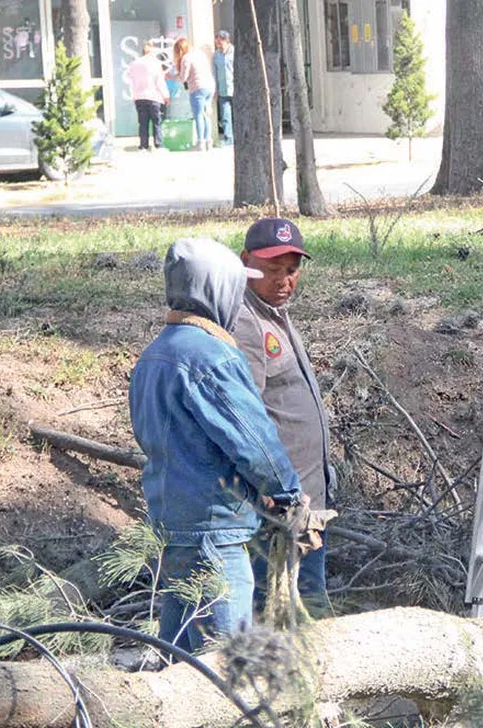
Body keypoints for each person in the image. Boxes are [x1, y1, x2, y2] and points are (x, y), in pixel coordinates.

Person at [129, 237, 306, 651]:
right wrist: (286, 492)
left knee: (178, 655)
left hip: (171, 525)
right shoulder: (212, 357)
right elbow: (253, 440)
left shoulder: (154, 354)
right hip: (214, 533)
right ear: (217, 289)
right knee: (225, 663)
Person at [232, 218, 338, 617]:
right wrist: (268, 485)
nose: (283, 280)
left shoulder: (274, 314)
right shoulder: (246, 322)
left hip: (306, 498)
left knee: (305, 606)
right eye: (272, 269)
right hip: (280, 505)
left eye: (292, 270)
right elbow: (246, 416)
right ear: (245, 261)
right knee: (290, 609)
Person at [173, 38, 217, 151]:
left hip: (197, 88)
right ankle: (208, 142)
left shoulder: (186, 58)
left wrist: (173, 77)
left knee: (198, 115)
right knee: (206, 114)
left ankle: (200, 143)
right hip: (210, 86)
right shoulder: (200, 54)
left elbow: (183, 77)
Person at [125, 40, 169, 152]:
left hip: (139, 97)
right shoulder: (155, 64)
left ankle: (143, 146)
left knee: (143, 123)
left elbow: (130, 80)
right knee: (156, 122)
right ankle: (158, 145)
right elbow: (159, 82)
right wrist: (166, 95)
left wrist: (134, 95)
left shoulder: (134, 64)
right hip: (154, 97)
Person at [213, 30, 235, 146]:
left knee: (238, 114)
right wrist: (215, 89)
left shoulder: (234, 52)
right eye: (217, 44)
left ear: (227, 41)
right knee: (225, 116)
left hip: (234, 88)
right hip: (222, 89)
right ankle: (228, 138)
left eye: (220, 43)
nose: (219, 46)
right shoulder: (216, 55)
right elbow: (215, 73)